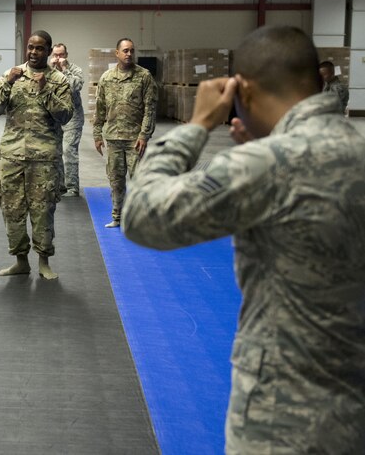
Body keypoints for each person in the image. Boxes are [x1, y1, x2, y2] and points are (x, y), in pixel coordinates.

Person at [122, 26, 365, 453]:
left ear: (244, 91)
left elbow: (143, 215)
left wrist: (197, 124)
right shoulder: (352, 150)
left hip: (284, 419)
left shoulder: (266, 164)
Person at [0, 30, 73, 280]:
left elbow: (66, 115)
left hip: (44, 158)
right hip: (11, 156)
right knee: (11, 210)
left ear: (48, 51)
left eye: (40, 49)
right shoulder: (11, 75)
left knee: (43, 211)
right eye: (30, 48)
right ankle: (20, 261)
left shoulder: (58, 80)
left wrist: (46, 90)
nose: (34, 53)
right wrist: (7, 83)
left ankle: (44, 262)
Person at [93, 37, 157, 228]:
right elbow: (100, 108)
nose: (129, 54)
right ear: (117, 53)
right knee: (115, 180)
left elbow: (150, 108)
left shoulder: (144, 76)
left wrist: (144, 135)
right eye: (125, 51)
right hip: (113, 137)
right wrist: (97, 134)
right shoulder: (106, 78)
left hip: (134, 139)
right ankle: (117, 217)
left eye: (132, 51)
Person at [49, 43, 85, 197]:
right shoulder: (48, 71)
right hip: (55, 117)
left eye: (61, 55)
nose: (58, 58)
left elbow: (74, 87)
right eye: (56, 55)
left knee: (69, 152)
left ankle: (72, 187)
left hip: (73, 117)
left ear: (66, 55)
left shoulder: (75, 70)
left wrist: (65, 70)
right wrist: (50, 70)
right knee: (56, 152)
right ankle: (60, 185)